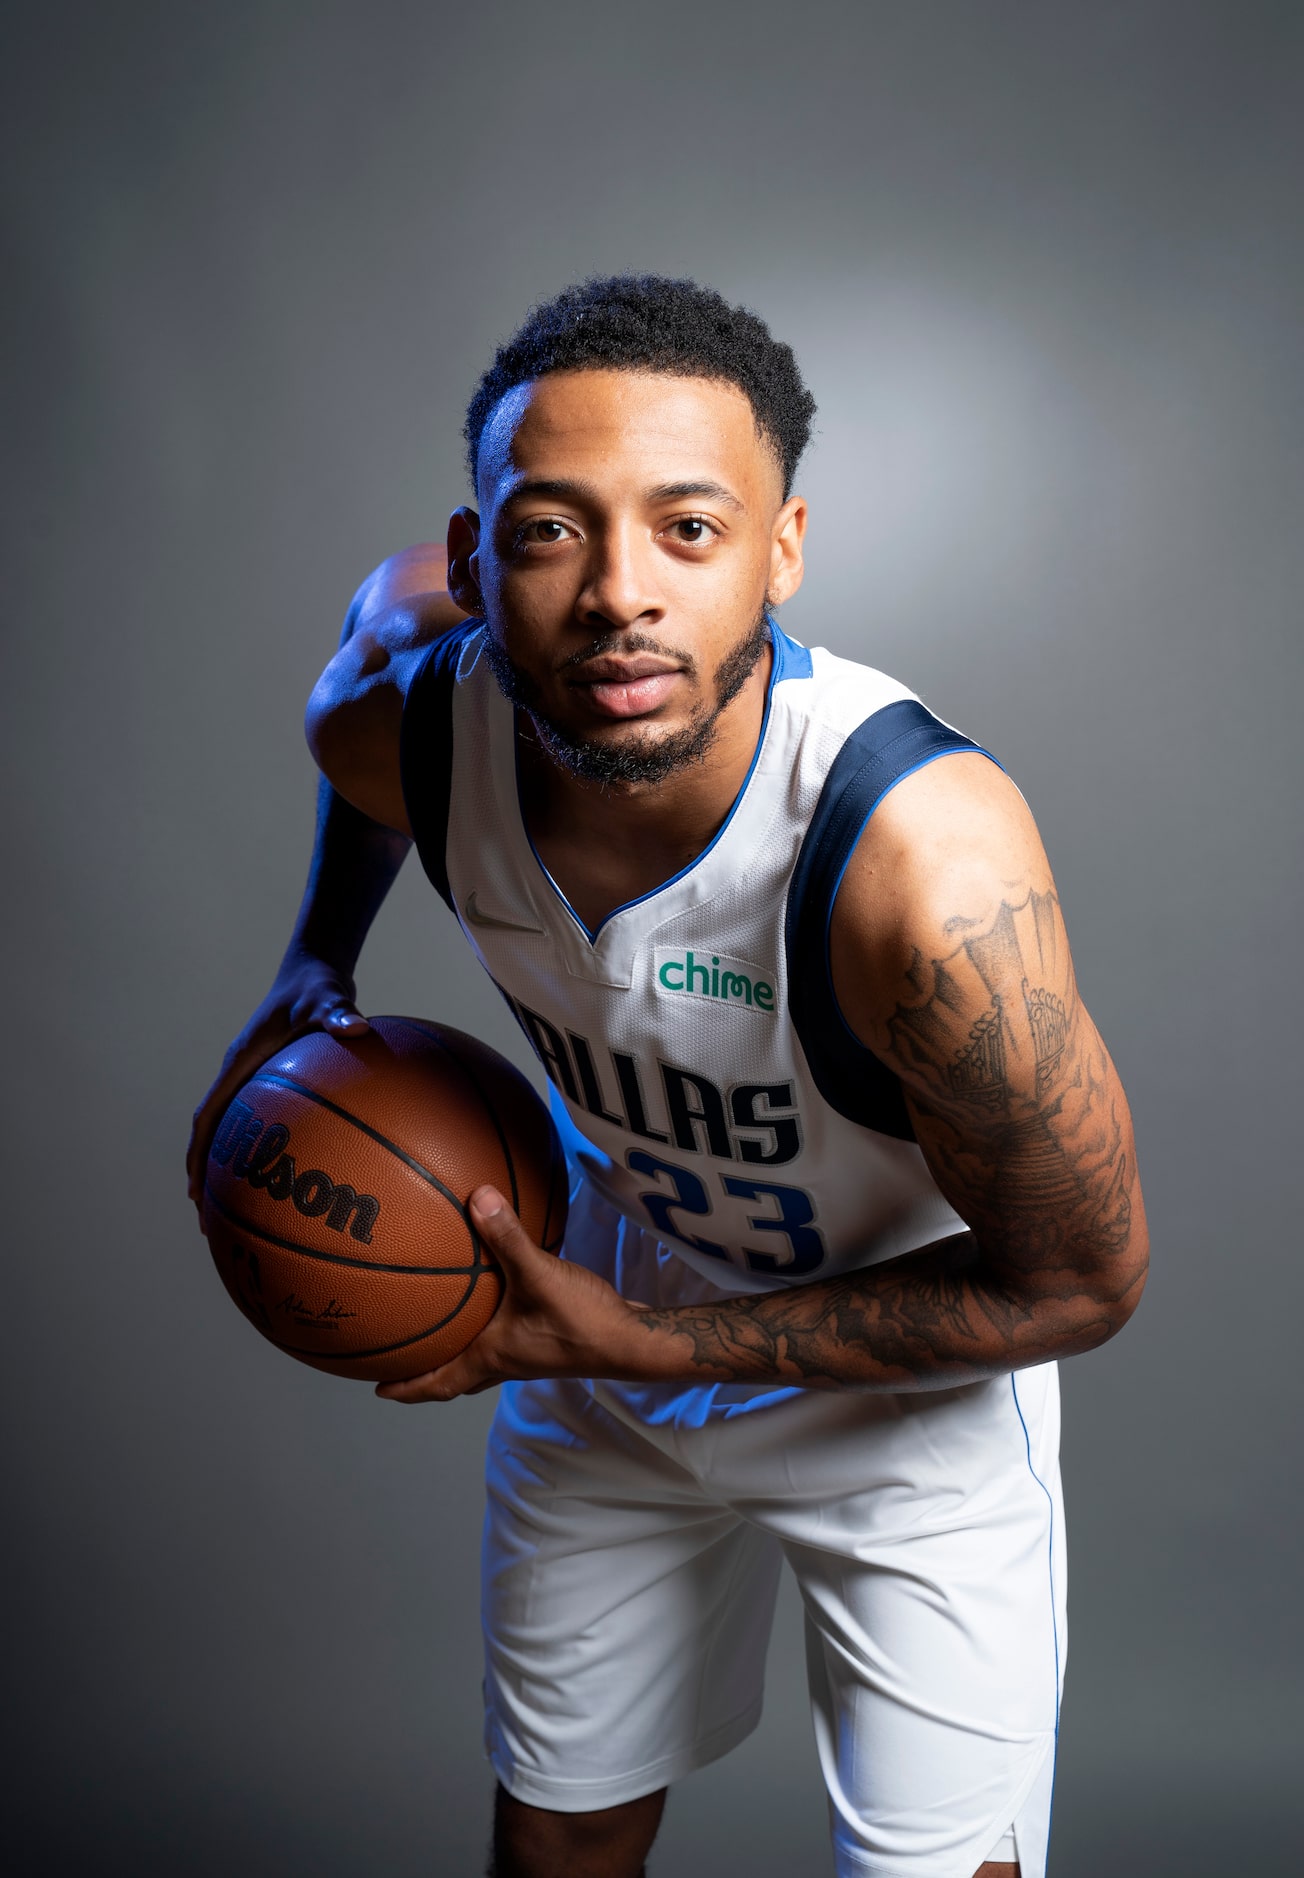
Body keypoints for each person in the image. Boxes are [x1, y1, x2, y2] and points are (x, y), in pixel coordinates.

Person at [189, 276, 1148, 1878]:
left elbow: (1083, 1282)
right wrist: (313, 961)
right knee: (556, 1843)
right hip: (598, 1314)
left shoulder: (923, 874)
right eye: (552, 531)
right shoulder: (405, 719)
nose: (618, 593)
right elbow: (367, 768)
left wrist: (650, 1338)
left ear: (781, 548)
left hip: (907, 1379)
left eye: (688, 529)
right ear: (482, 561)